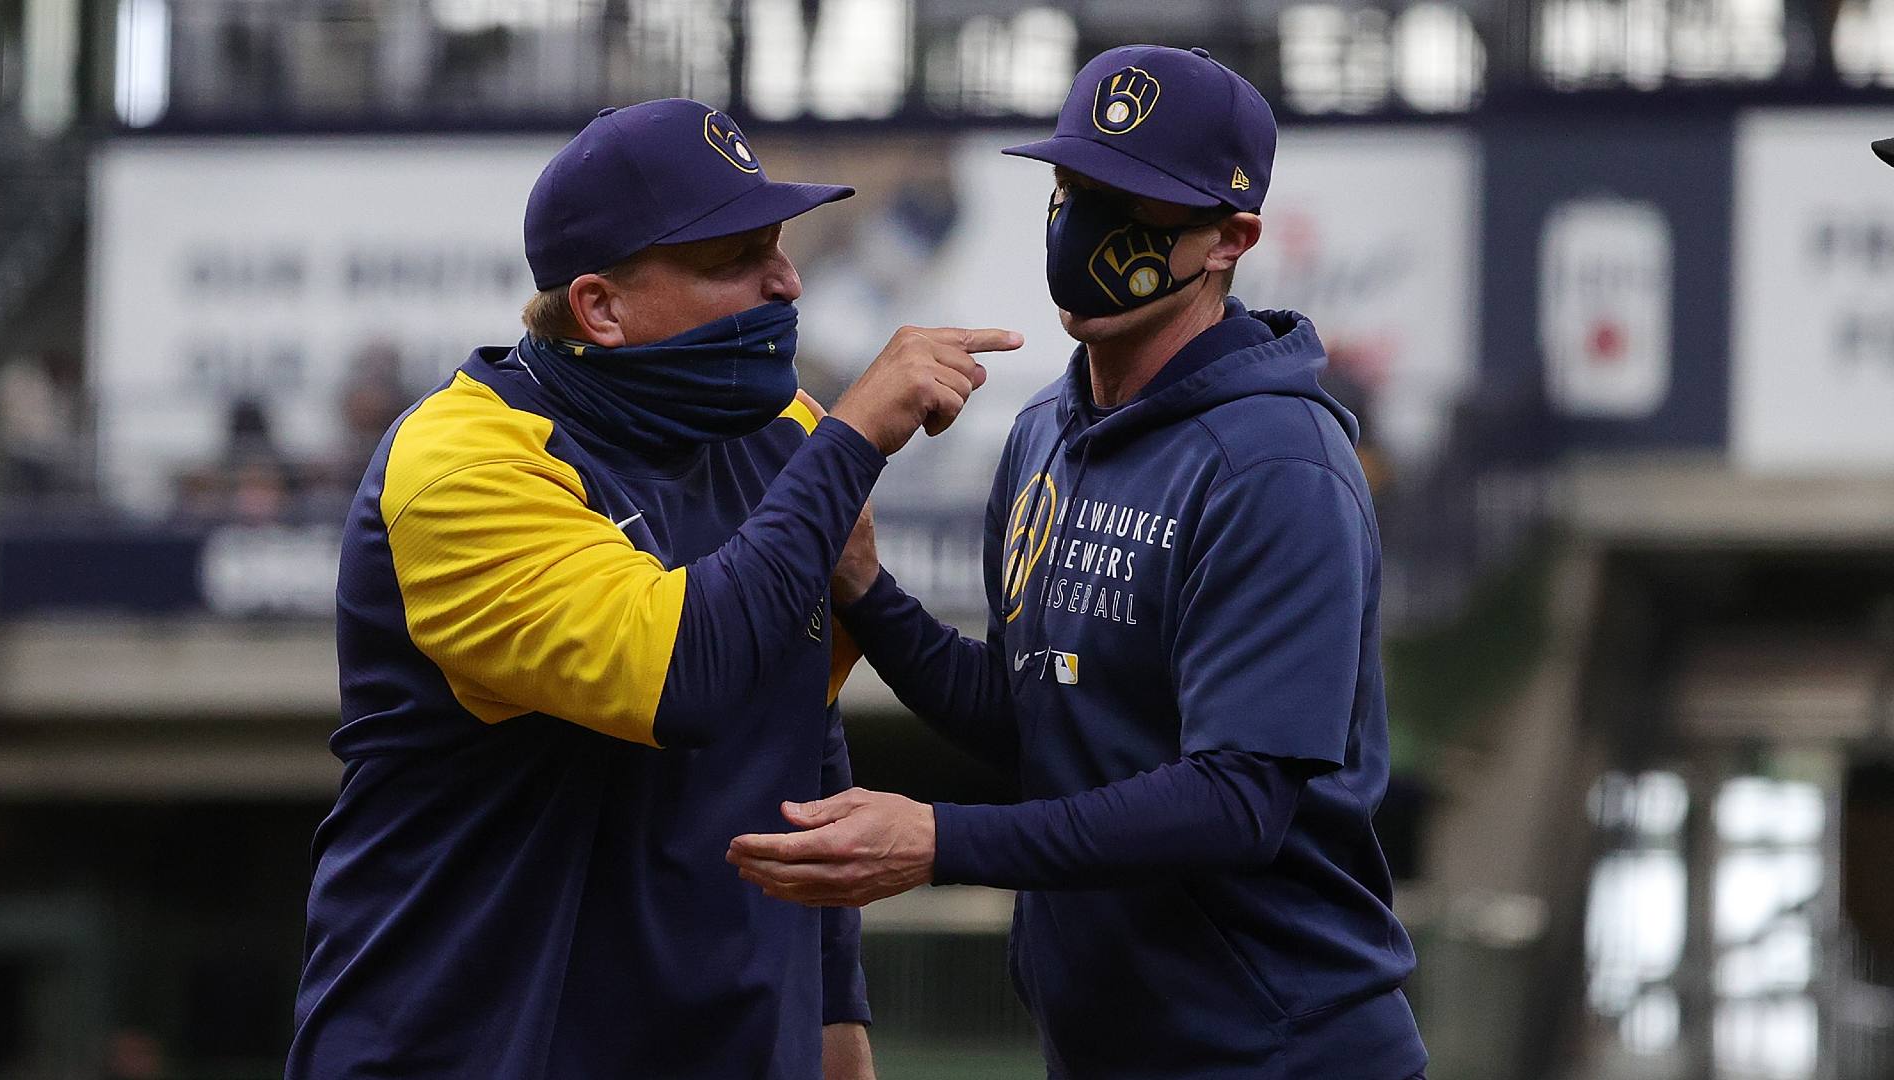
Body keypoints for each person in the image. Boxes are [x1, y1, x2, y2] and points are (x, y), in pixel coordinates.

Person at [729, 47, 1428, 1079]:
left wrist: (938, 841)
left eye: (1132, 206)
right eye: (1072, 190)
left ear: (1231, 240)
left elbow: (1237, 802)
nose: (1087, 227)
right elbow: (1037, 723)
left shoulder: (1278, 464)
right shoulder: (1049, 427)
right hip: (1105, 1041)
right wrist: (867, 593)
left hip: (1279, 1048)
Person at [288, 98, 1021, 1080]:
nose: (788, 280)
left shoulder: (787, 435)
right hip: (468, 1042)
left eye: (780, 244)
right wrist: (853, 439)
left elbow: (800, 731)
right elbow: (686, 679)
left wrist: (837, 1019)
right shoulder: (464, 461)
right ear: (600, 306)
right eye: (735, 259)